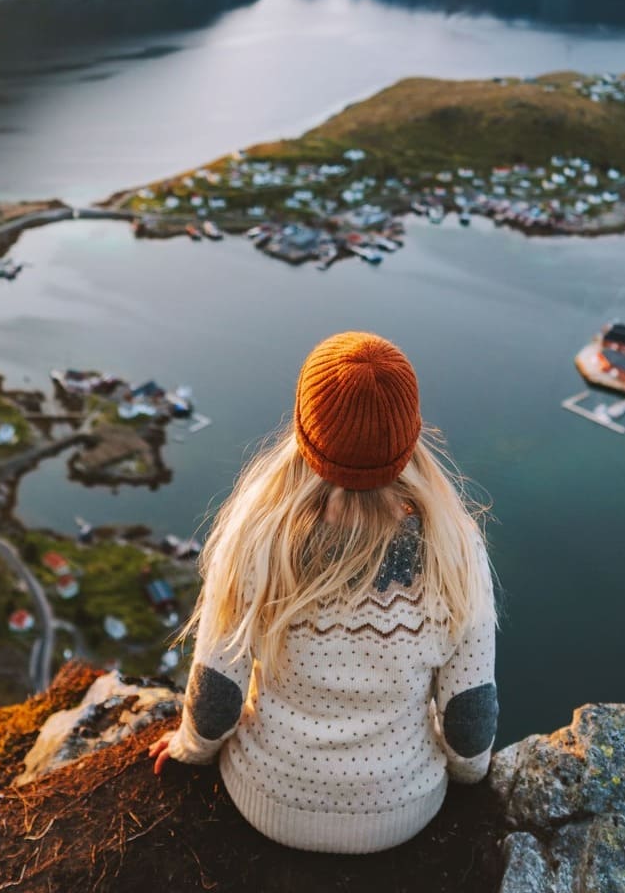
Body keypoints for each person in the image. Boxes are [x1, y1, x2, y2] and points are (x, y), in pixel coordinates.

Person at [147, 330, 499, 855]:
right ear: (410, 435)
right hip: (405, 808)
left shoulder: (256, 536)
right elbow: (469, 717)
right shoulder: (455, 548)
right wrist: (471, 777)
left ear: (305, 429)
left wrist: (190, 750)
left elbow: (218, 696)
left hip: (267, 797)